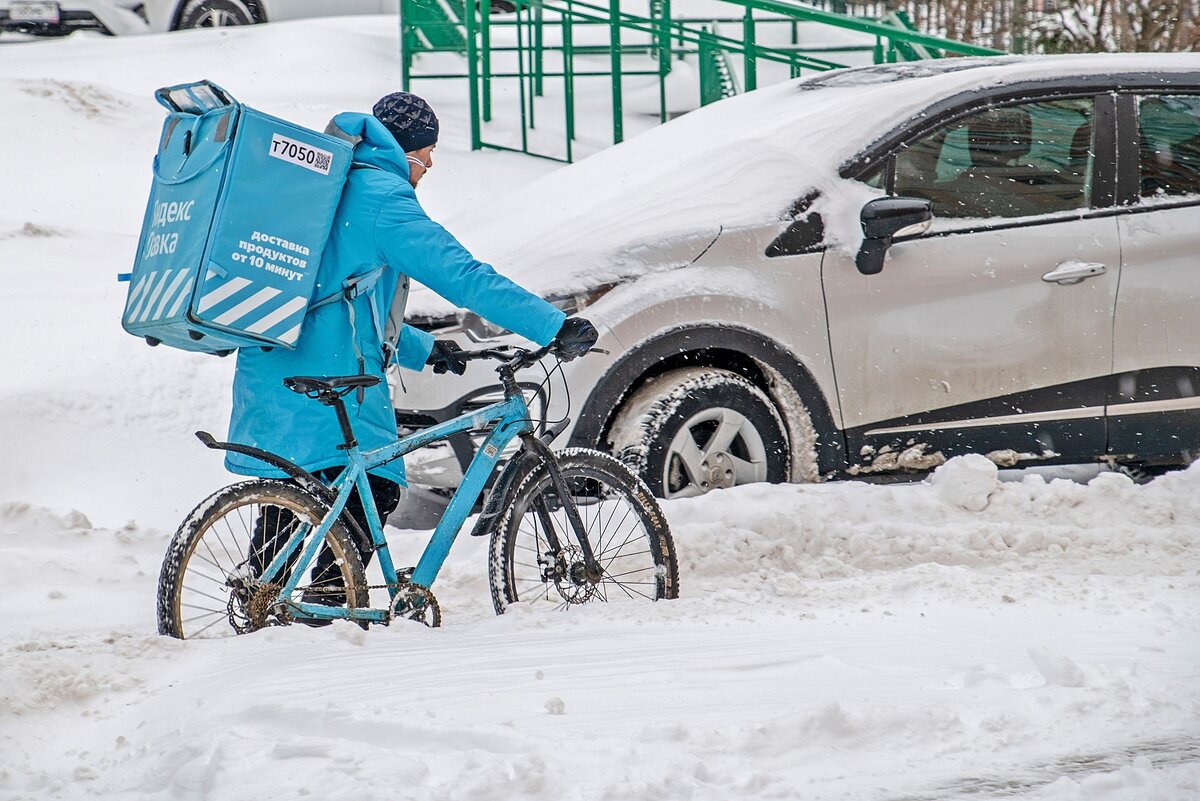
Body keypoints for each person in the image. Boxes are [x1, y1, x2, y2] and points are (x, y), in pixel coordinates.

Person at [227, 91, 598, 589]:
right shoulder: (382, 197)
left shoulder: (328, 187)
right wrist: (553, 325)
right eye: (427, 152)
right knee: (372, 489)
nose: (429, 165)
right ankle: (330, 614)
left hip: (272, 366)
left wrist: (424, 348)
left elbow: (339, 298)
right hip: (334, 377)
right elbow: (463, 275)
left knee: (298, 498)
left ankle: (259, 603)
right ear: (408, 152)